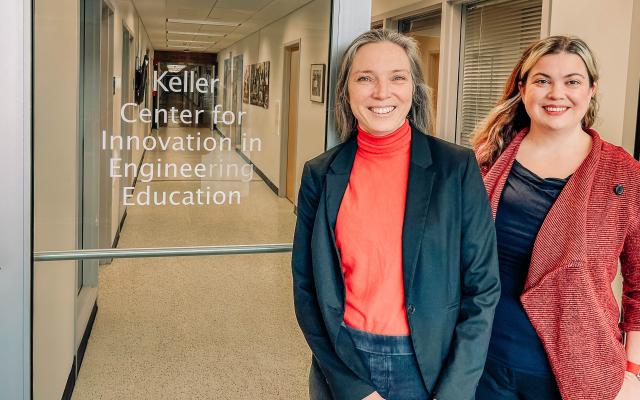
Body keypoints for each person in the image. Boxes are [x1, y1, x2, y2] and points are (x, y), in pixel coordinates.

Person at [292, 29, 500, 400]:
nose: (382, 92)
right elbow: (307, 289)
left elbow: (483, 289)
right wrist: (352, 387)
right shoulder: (321, 174)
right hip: (343, 362)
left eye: (397, 77)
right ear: (346, 90)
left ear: (415, 89)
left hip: (430, 368)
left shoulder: (456, 168)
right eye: (365, 78)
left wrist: (454, 392)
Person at [472, 36, 640, 400]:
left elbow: (639, 280)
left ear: (591, 89)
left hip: (577, 370)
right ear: (523, 87)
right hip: (483, 363)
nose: (556, 93)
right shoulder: (486, 162)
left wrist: (633, 369)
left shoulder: (622, 171)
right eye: (542, 80)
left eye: (572, 81)